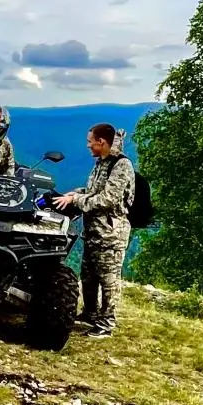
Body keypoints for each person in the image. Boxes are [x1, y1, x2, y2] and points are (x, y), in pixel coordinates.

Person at [54, 123, 135, 337]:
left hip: (111, 234)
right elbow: (93, 191)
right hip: (94, 232)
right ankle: (90, 313)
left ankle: (106, 323)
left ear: (101, 142)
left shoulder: (121, 166)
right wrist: (75, 193)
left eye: (90, 142)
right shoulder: (101, 163)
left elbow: (108, 199)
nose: (88, 145)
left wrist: (76, 200)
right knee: (88, 275)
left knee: (108, 280)